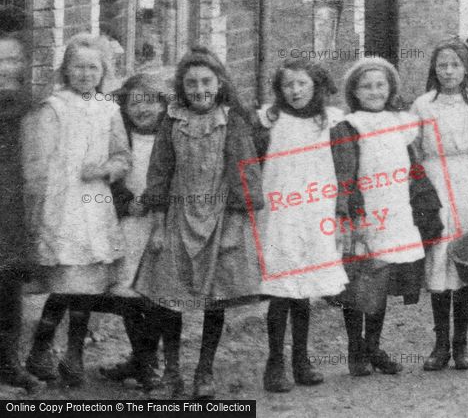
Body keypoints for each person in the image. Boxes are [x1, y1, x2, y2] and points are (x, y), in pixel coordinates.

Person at [134, 46, 264, 399]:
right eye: (191, 83)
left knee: (214, 299)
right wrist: (158, 225)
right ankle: (172, 372)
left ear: (219, 82)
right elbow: (158, 175)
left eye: (206, 81)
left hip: (219, 220)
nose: (199, 90)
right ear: (182, 87)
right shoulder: (172, 120)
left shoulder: (232, 121)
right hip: (178, 216)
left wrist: (235, 228)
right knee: (168, 297)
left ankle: (204, 370)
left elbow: (245, 175)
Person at [22, 33, 131, 387]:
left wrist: (104, 170)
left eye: (92, 67)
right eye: (78, 67)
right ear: (66, 70)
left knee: (84, 286)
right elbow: (37, 162)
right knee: (67, 283)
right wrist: (39, 207)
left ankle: (73, 355)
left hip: (94, 204)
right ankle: (41, 350)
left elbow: (122, 156)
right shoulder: (53, 107)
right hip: (61, 204)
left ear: (103, 72)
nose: (85, 74)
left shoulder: (109, 109)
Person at [252, 58, 348, 392]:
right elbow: (253, 162)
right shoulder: (270, 120)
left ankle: (301, 359)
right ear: (279, 90)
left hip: (314, 212)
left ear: (315, 86)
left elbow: (342, 166)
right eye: (288, 85)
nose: (294, 91)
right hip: (279, 212)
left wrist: (341, 210)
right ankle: (275, 361)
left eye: (301, 84)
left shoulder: (330, 121)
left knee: (304, 287)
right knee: (281, 288)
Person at [333, 56, 427, 378]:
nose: (374, 91)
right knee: (358, 280)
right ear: (354, 92)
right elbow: (345, 176)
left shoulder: (400, 123)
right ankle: (354, 346)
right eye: (366, 86)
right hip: (364, 212)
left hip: (396, 209)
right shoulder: (349, 127)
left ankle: (373, 345)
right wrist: (352, 215)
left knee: (382, 280)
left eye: (380, 85)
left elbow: (413, 168)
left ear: (390, 88)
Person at [410, 38, 468, 371]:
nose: (448, 72)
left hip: (467, 183)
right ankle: (439, 344)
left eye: (455, 65)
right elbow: (414, 149)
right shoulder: (422, 105)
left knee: (464, 260)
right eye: (442, 65)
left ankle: (461, 344)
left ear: (466, 68)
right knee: (437, 257)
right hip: (434, 183)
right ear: (434, 69)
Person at [97, 73, 170, 391]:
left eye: (151, 101)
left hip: (159, 225)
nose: (143, 109)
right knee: (126, 291)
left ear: (163, 104)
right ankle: (143, 359)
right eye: (134, 102)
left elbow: (176, 179)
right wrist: (127, 205)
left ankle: (147, 361)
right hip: (128, 224)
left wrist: (156, 204)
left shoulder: (170, 137)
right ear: (124, 105)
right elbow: (108, 180)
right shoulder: (119, 137)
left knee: (153, 294)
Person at [0, 5, 44, 393]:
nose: (6, 68)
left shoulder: (28, 107)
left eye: (13, 59)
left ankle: (9, 363)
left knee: (9, 288)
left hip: (12, 213)